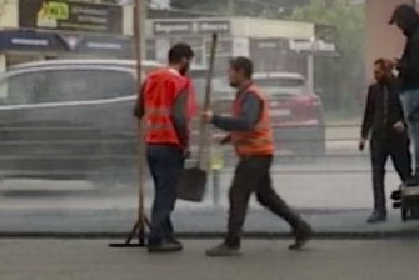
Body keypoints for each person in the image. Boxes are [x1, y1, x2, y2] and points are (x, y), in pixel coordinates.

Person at [205, 56, 311, 256]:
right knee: (265, 196)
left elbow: (247, 122)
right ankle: (301, 228)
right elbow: (247, 125)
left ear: (241, 72)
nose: (228, 75)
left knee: (238, 194)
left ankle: (232, 242)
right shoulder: (245, 94)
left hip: (255, 154)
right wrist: (229, 137)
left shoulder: (251, 96)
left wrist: (214, 119)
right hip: (258, 152)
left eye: (231, 71)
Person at [132, 42, 197, 253]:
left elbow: (138, 110)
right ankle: (157, 238)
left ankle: (168, 235)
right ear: (184, 60)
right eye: (190, 62)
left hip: (151, 144)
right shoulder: (181, 83)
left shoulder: (150, 78)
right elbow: (179, 117)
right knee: (166, 194)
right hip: (170, 144)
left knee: (162, 190)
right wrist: (185, 144)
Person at [357, 58, 413, 223]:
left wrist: (404, 123)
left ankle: (411, 206)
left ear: (387, 71)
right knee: (377, 174)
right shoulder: (374, 90)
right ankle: (379, 210)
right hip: (379, 137)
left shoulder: (400, 87)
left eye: (378, 72)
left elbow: (409, 110)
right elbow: (369, 113)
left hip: (397, 137)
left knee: (404, 171)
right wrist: (363, 136)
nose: (375, 76)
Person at [389, 3, 419, 186]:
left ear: (407, 20)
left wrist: (399, 65)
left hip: (415, 89)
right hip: (417, 88)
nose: (400, 28)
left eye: (400, 23)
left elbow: (417, 69)